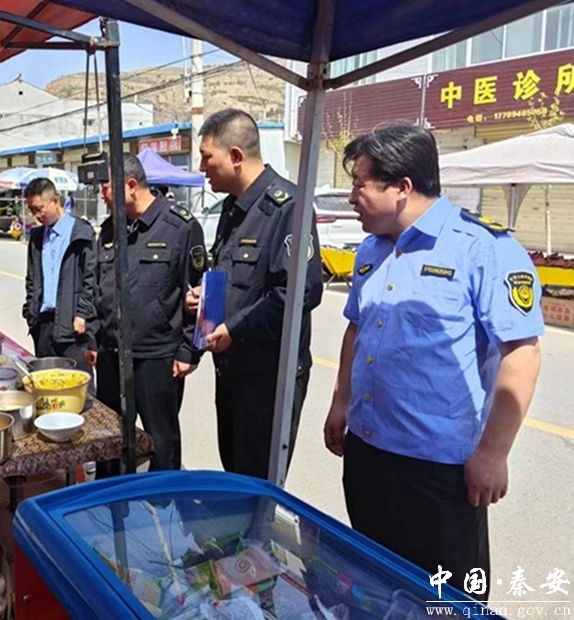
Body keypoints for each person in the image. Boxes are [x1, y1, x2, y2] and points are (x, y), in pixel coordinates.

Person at [323, 124, 543, 597]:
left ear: (402, 187)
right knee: (375, 583)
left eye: (360, 185)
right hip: (368, 452)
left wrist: (493, 453)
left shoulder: (484, 250)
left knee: (447, 598)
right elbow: (356, 328)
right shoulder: (371, 250)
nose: (351, 197)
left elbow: (521, 353)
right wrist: (340, 403)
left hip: (437, 470)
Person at [186, 108, 323, 480]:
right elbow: (233, 276)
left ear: (235, 156)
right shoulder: (233, 208)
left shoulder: (288, 207)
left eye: (207, 157)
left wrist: (236, 329)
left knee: (258, 481)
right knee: (235, 473)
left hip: (268, 379)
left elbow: (300, 292)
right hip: (232, 371)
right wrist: (205, 296)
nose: (202, 167)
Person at [90, 153, 206, 473]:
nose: (101, 195)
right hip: (112, 355)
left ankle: (162, 500)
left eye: (105, 186)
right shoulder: (110, 230)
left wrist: (189, 350)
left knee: (161, 442)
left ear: (130, 185)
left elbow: (199, 294)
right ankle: (114, 498)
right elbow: (99, 288)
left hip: (157, 358)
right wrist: (94, 338)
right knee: (109, 439)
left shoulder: (179, 227)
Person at [21, 178, 96, 372]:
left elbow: (91, 278)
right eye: (32, 210)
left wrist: (83, 314)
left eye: (40, 209)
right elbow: (31, 279)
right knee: (46, 381)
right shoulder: (37, 236)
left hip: (72, 328)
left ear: (55, 201)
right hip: (43, 326)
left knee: (78, 384)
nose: (37, 215)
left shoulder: (80, 233)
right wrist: (31, 312)